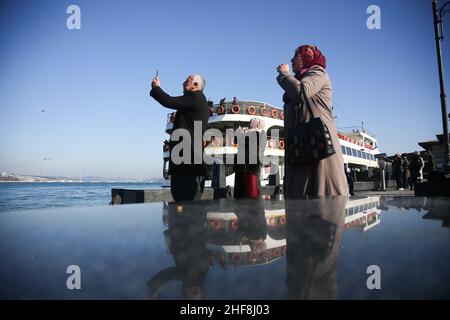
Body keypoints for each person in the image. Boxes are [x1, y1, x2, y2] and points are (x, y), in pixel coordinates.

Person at [276, 45, 348, 198]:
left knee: (322, 194)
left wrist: (284, 75)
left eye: (295, 56)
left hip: (317, 144)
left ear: (305, 58)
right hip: (302, 144)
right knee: (300, 195)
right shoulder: (298, 78)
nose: (291, 60)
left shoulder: (318, 72)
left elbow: (301, 92)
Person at [150, 74, 209, 201]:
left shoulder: (195, 98)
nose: (183, 83)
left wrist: (156, 87)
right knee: (192, 210)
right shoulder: (200, 101)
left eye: (187, 81)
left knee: (186, 209)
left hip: (186, 166)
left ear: (195, 86)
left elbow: (167, 100)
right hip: (192, 165)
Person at [147, 203, 210, 300]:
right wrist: (153, 289)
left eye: (190, 295)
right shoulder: (196, 274)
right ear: (201, 291)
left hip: (183, 219)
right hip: (190, 218)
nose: (193, 291)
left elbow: (166, 276)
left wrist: (153, 290)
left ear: (185, 291)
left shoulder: (185, 275)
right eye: (195, 294)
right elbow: (166, 276)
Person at [233, 118, 267, 199]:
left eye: (253, 121)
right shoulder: (249, 133)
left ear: (258, 124)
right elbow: (236, 141)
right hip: (241, 165)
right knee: (240, 191)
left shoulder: (261, 133)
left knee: (251, 190)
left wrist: (243, 133)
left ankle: (253, 207)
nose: (250, 123)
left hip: (250, 167)